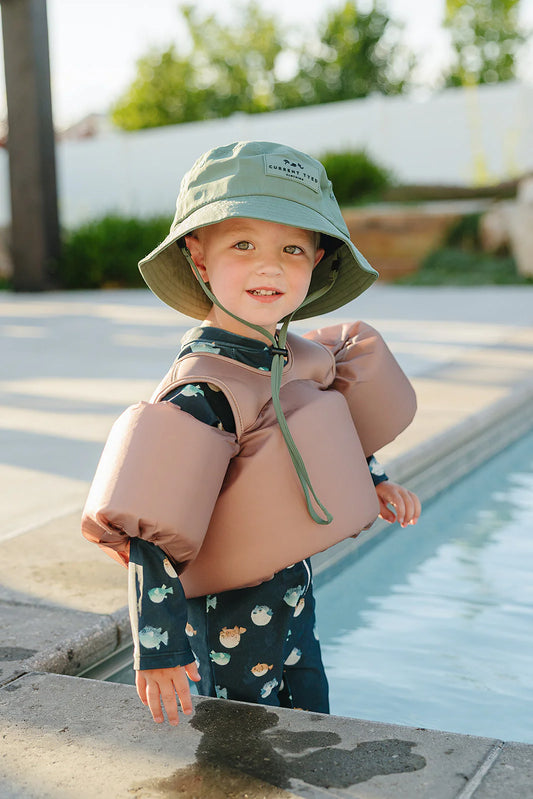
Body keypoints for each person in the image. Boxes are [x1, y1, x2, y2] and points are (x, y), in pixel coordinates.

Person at [82, 140, 421, 726]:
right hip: (228, 619)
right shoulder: (204, 390)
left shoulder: (294, 358)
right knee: (242, 733)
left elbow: (317, 430)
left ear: (316, 260)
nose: (270, 266)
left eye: (292, 248)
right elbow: (152, 525)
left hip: (291, 595)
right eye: (243, 245)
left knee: (310, 716)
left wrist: (374, 480)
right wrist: (159, 646)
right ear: (198, 256)